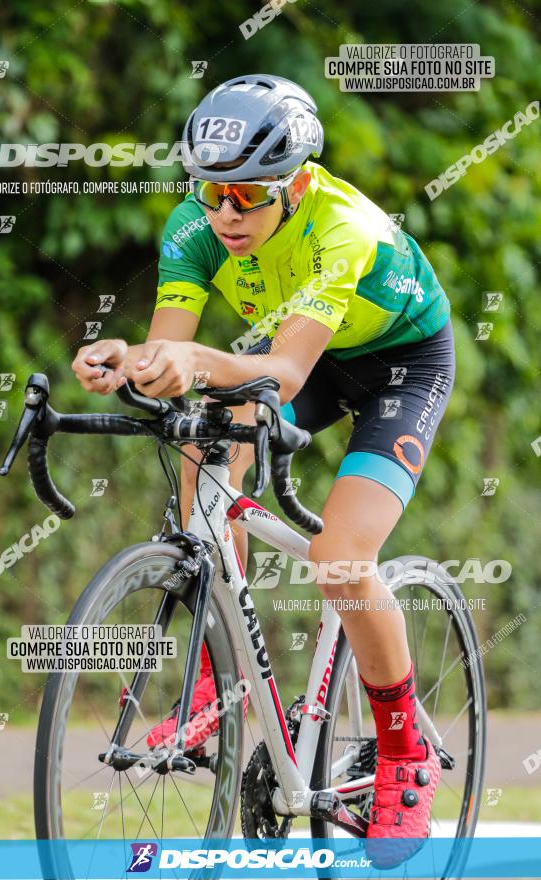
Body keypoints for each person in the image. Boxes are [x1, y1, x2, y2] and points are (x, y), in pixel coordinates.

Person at [72, 74, 455, 861]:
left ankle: (402, 753)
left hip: (395, 367)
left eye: (247, 196)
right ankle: (215, 686)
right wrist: (128, 358)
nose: (224, 215)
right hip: (303, 358)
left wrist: (187, 358)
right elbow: (165, 347)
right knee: (203, 447)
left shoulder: (341, 226)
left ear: (296, 181)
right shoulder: (195, 225)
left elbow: (279, 375)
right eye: (211, 192)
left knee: (341, 559)